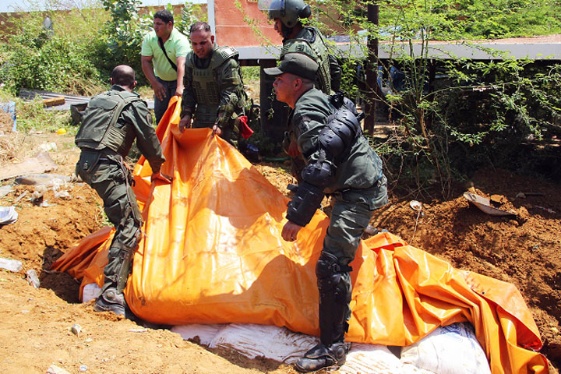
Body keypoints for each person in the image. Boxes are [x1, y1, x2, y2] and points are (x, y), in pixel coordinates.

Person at [264, 53, 388, 373]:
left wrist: (297, 217)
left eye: (279, 79)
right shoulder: (316, 99)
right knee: (337, 252)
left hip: (356, 191)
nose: (273, 83)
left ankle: (331, 348)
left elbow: (321, 166)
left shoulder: (305, 109)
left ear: (296, 83)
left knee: (331, 265)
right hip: (360, 180)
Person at [75, 65, 171, 317]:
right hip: (106, 167)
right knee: (130, 224)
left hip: (85, 164)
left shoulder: (98, 99)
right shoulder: (133, 104)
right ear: (135, 84)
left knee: (121, 214)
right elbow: (148, 139)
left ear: (111, 81)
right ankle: (110, 293)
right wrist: (157, 168)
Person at [178, 22, 251, 145]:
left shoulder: (226, 61)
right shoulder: (190, 60)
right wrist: (186, 114)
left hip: (227, 115)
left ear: (211, 39)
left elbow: (230, 94)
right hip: (202, 113)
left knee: (227, 155)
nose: (198, 48)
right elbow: (189, 90)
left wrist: (220, 123)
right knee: (198, 153)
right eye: (194, 44)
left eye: (203, 43)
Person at [141, 9, 190, 125]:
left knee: (178, 116)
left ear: (169, 25)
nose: (155, 27)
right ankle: (162, 142)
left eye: (159, 24)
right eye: (154, 23)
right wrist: (154, 83)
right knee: (161, 115)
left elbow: (181, 64)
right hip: (160, 81)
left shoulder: (180, 40)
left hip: (179, 81)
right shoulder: (150, 38)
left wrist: (180, 87)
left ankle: (179, 141)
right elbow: (145, 61)